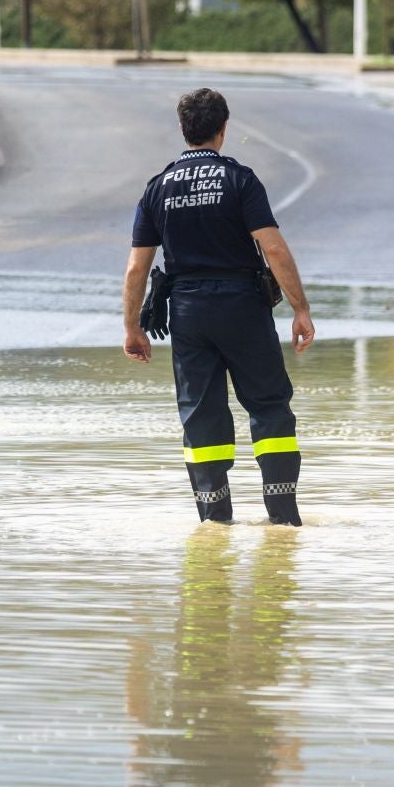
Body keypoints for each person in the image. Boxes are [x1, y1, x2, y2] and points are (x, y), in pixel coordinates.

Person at [122, 88, 315, 526]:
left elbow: (137, 268)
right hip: (243, 308)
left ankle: (214, 521)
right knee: (268, 405)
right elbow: (275, 251)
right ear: (224, 129)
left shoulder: (158, 187)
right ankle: (283, 518)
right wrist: (300, 309)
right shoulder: (240, 180)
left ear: (182, 129)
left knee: (200, 412)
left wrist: (132, 326)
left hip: (187, 314)